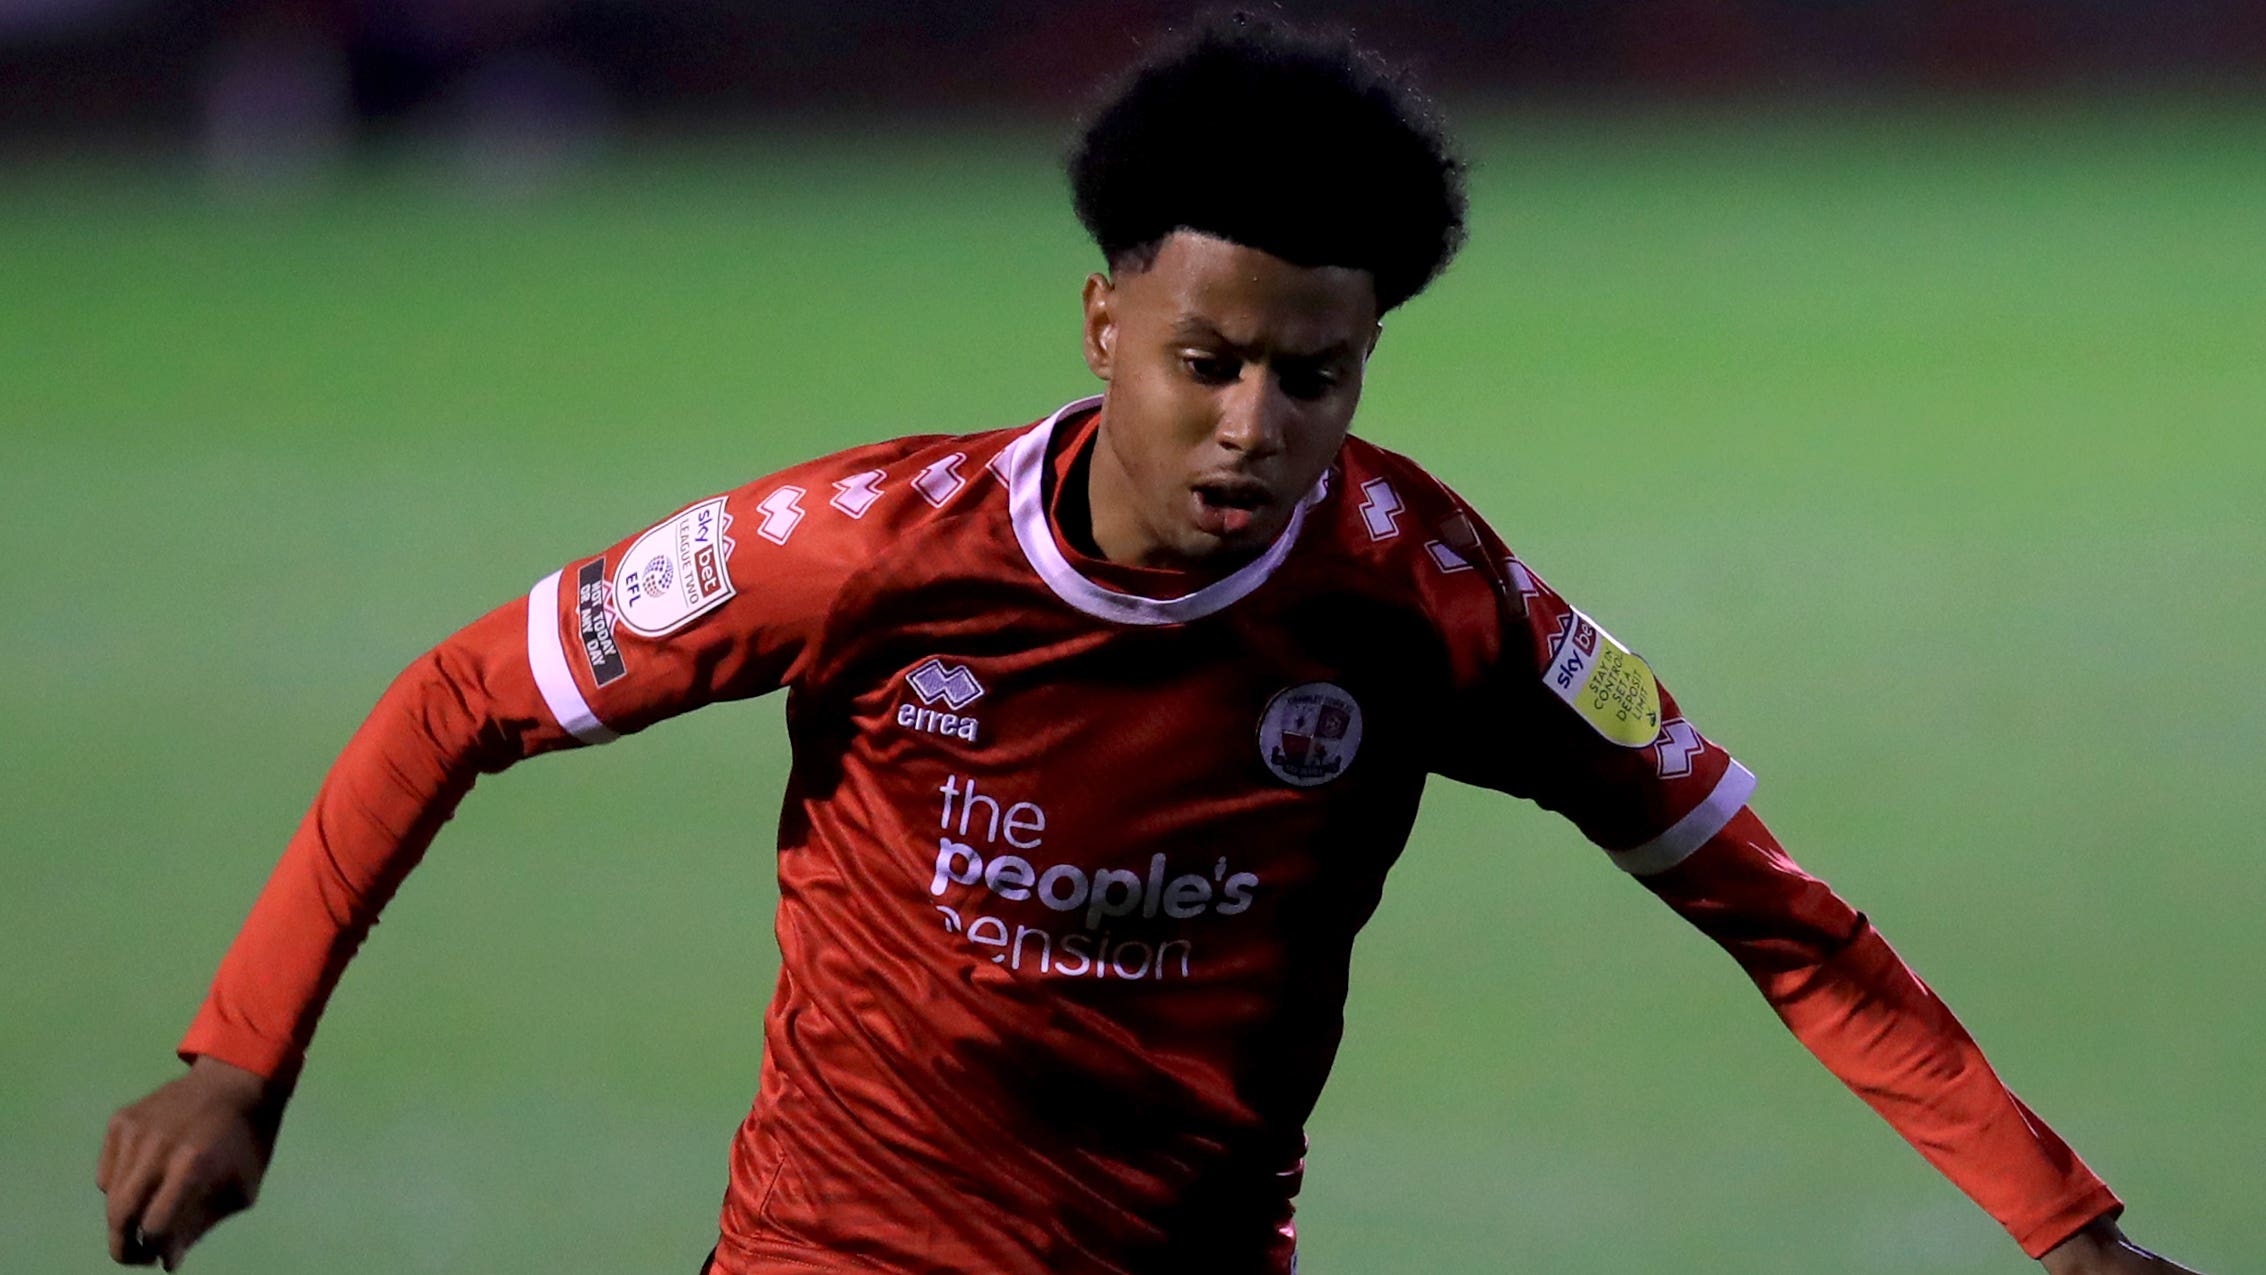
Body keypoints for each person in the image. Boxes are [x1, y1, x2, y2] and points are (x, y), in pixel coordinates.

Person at [97, 16, 2205, 1275]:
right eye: (1206, 359)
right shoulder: (859, 550)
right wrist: (239, 1048)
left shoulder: (1421, 598)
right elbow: (465, 690)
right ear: (1104, 321)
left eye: (1317, 374)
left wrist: (2063, 1222)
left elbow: (1766, 904)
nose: (1253, 426)